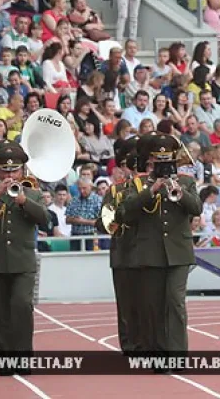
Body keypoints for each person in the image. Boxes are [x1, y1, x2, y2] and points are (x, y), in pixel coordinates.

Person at [121, 134, 201, 361]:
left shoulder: (185, 182)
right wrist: (151, 191)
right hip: (150, 252)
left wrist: (178, 191)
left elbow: (196, 208)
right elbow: (127, 211)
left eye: (168, 161)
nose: (165, 166)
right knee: (153, 305)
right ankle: (158, 353)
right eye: (160, 161)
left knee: (175, 303)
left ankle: (177, 354)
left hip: (179, 252)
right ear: (152, 162)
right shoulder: (139, 184)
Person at [0, 141, 49, 375]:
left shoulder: (33, 192)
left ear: (22, 170)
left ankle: (22, 357)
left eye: (14, 170)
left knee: (22, 306)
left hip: (22, 261)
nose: (9, 174)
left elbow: (45, 219)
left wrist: (24, 201)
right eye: (5, 170)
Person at [95, 136, 140, 353]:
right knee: (127, 304)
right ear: (122, 167)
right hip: (124, 252)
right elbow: (101, 224)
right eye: (129, 164)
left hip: (151, 253)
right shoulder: (116, 191)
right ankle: (130, 345)